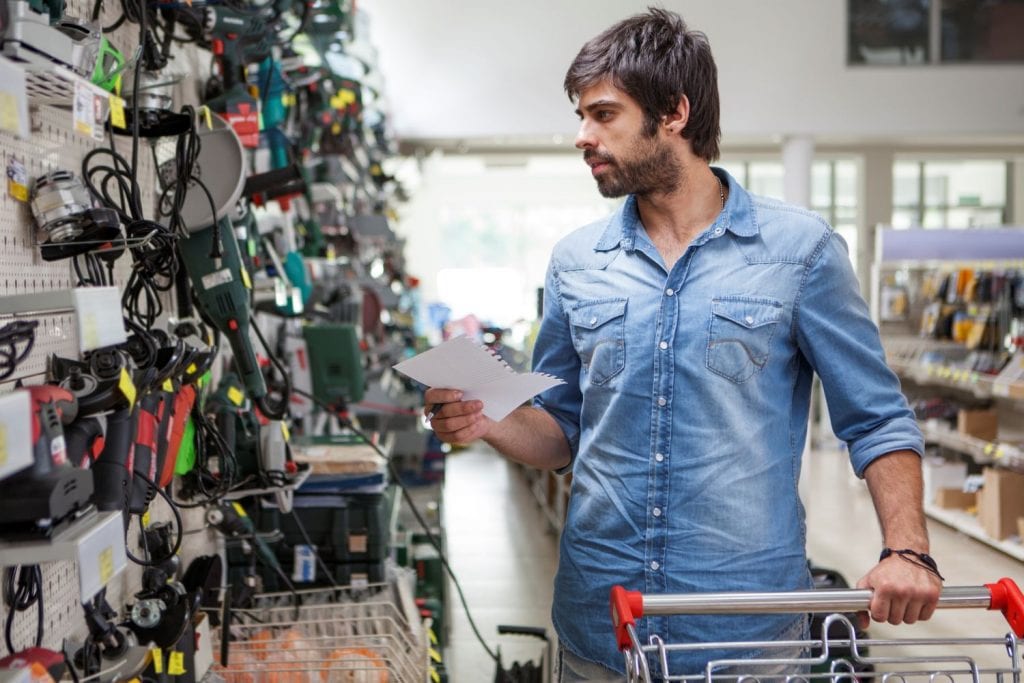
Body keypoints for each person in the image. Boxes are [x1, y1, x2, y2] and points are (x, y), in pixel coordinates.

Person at [425, 8, 942, 680]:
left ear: (673, 112)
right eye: (580, 115)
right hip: (602, 625)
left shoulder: (800, 252)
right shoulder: (577, 262)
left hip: (744, 631)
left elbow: (876, 416)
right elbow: (561, 431)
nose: (582, 136)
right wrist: (488, 419)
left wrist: (908, 549)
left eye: (603, 114)